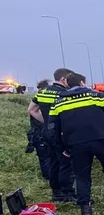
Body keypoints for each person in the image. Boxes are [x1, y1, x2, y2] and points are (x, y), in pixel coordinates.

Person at [46, 72, 104, 215]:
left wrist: (62, 149)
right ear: (82, 83)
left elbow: (52, 129)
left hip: (76, 144)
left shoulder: (58, 103)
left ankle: (86, 210)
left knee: (82, 177)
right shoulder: (97, 97)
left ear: (67, 84)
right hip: (103, 140)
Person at [28, 68, 76, 202]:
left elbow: (31, 110)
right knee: (66, 163)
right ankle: (68, 193)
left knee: (54, 162)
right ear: (63, 79)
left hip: (47, 133)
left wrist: (46, 121)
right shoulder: (65, 94)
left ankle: (56, 192)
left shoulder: (42, 93)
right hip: (61, 133)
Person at [25, 79, 52, 180]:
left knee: (46, 157)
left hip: (40, 133)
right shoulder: (41, 101)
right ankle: (49, 178)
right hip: (40, 134)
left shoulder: (39, 100)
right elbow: (35, 114)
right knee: (45, 157)